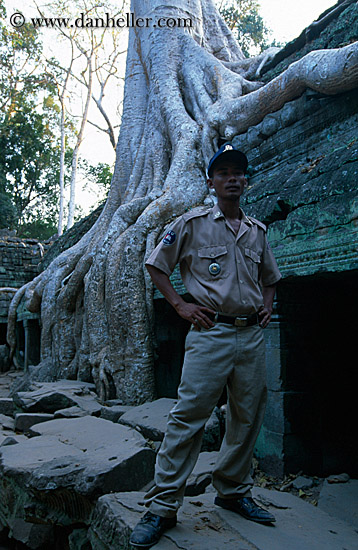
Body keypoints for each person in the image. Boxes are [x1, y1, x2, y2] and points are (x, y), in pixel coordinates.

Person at [130, 143, 281, 548]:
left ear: (245, 181)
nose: (233, 178)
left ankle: (232, 492)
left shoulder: (257, 231)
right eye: (224, 173)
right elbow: (155, 264)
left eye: (239, 173)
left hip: (251, 336)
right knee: (188, 418)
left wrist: (267, 307)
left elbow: (270, 277)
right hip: (210, 334)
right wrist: (180, 305)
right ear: (212, 183)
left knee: (247, 417)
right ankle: (162, 506)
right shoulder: (192, 224)